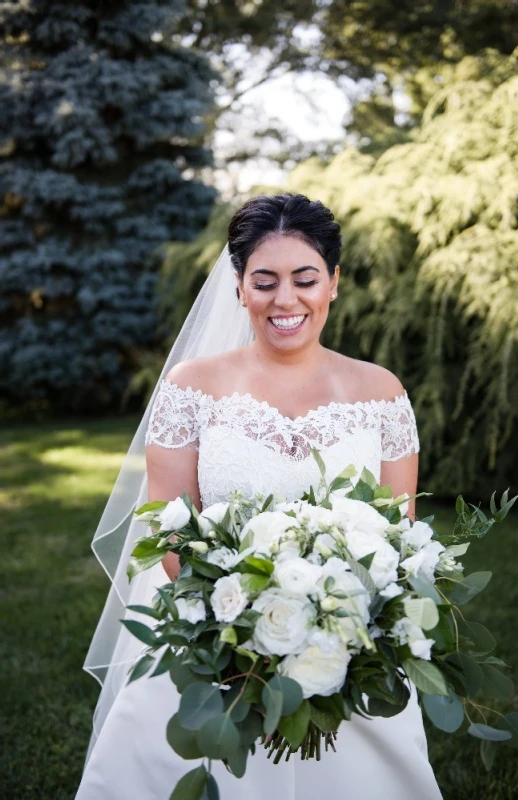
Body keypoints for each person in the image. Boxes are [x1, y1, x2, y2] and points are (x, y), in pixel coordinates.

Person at [76, 193, 443, 799]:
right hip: (214, 635)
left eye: (305, 279)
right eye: (264, 281)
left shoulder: (381, 392)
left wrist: (325, 628)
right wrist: (252, 625)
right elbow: (167, 526)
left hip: (345, 642)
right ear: (239, 288)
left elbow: (395, 534)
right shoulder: (192, 387)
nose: (285, 299)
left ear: (333, 283)